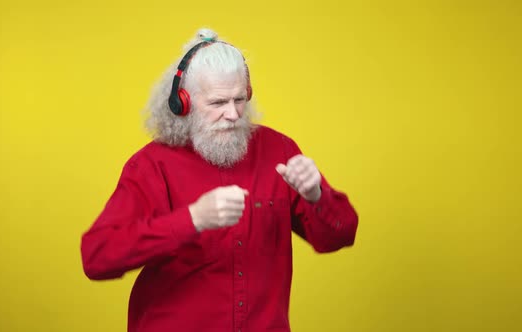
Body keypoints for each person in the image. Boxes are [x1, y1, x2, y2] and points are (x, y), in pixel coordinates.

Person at [81, 28, 358, 332]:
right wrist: (192, 219)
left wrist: (316, 195)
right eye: (217, 103)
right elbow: (97, 257)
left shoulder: (280, 150)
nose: (233, 114)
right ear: (183, 104)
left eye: (240, 99)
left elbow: (340, 235)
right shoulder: (151, 165)